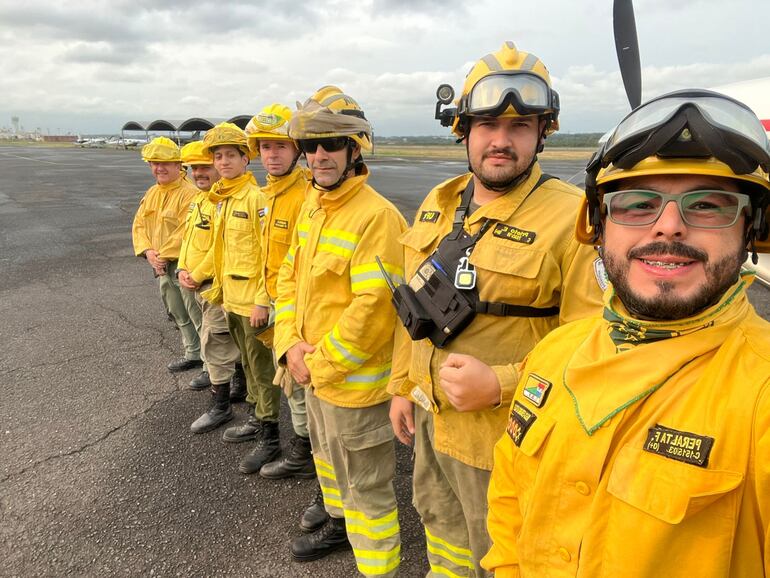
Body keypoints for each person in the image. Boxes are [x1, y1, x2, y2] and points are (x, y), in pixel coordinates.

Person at [482, 88, 770, 577]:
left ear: (751, 229)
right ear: (597, 226)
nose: (669, 227)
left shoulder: (759, 393)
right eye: (636, 204)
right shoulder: (555, 354)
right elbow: (509, 503)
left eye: (707, 205)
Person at [387, 42, 604, 577]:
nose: (501, 141)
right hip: (432, 422)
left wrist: (502, 384)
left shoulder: (574, 220)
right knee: (441, 533)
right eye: (486, 125)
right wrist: (401, 386)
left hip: (506, 442)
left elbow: (593, 348)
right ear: (463, 130)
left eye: (520, 126)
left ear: (543, 132)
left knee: (503, 557)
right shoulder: (439, 202)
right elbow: (411, 306)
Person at [274, 86, 406, 576]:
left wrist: (318, 365)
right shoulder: (313, 205)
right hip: (312, 377)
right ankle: (337, 524)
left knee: (367, 492)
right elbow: (289, 278)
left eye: (331, 144)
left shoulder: (378, 217)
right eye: (311, 146)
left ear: (354, 149)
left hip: (352, 389)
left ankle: (378, 568)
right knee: (328, 465)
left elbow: (374, 311)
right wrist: (289, 345)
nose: (319, 156)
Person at [223, 103, 315, 479]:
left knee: (300, 385)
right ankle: (288, 444)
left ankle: (305, 453)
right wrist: (262, 298)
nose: (272, 154)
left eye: (280, 146)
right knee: (286, 383)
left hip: (300, 308)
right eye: (265, 147)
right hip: (276, 303)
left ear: (296, 150)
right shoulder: (268, 195)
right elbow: (266, 257)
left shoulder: (306, 195)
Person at [192, 123, 279, 467]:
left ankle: (270, 437)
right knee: (247, 364)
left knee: (261, 369)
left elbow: (267, 255)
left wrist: (262, 300)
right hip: (230, 298)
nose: (223, 162)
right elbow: (219, 250)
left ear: (246, 159)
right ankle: (257, 419)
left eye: (231, 155)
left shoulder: (256, 198)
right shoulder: (222, 199)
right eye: (218, 156)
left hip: (252, 303)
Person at [176, 141, 245, 433]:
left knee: (214, 344)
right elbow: (189, 240)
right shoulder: (201, 200)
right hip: (197, 283)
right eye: (194, 168)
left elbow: (223, 247)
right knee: (225, 342)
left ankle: (221, 406)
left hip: (216, 286)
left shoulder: (223, 202)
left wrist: (197, 274)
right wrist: (181, 267)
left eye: (205, 166)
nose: (199, 173)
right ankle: (239, 386)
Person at [132, 137, 203, 373]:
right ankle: (193, 353)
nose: (159, 168)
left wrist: (162, 255)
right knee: (177, 311)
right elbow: (139, 225)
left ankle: (211, 364)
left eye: (165, 163)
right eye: (154, 163)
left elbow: (187, 230)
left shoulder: (190, 193)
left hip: (185, 264)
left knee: (197, 312)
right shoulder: (152, 192)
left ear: (178, 165)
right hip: (161, 265)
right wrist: (148, 251)